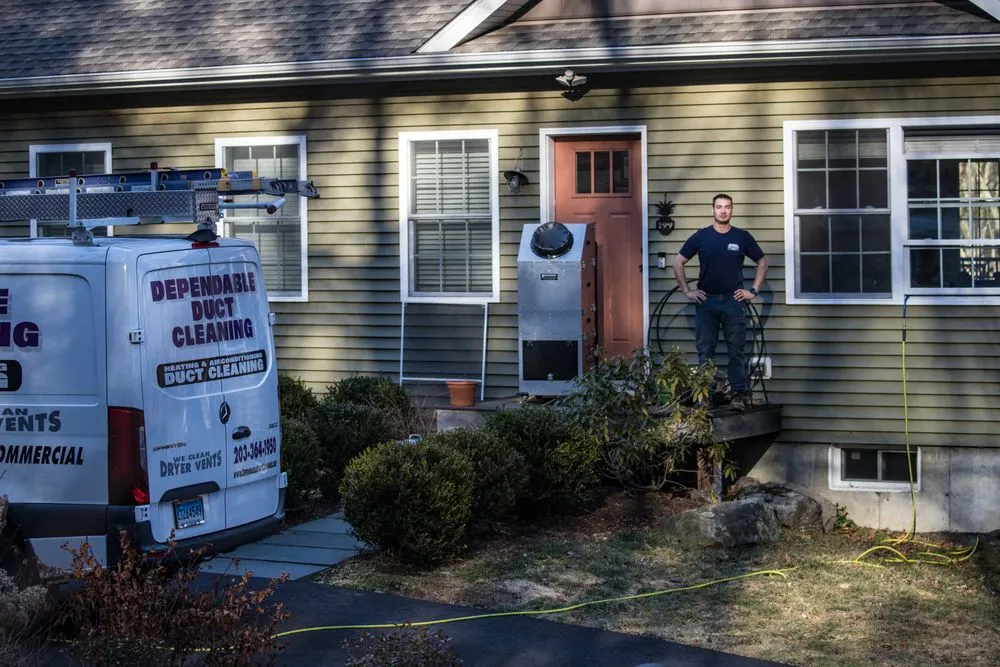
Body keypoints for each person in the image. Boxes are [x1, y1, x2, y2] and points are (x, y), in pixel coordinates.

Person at [672, 194, 768, 411]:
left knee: (736, 350)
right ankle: (705, 396)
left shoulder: (742, 237)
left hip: (734, 302)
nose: (723, 211)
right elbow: (678, 262)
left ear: (732, 210)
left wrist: (753, 290)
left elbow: (762, 261)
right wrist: (687, 290)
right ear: (712, 210)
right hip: (707, 303)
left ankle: (737, 395)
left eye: (727, 207)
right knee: (705, 350)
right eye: (719, 207)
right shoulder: (701, 236)